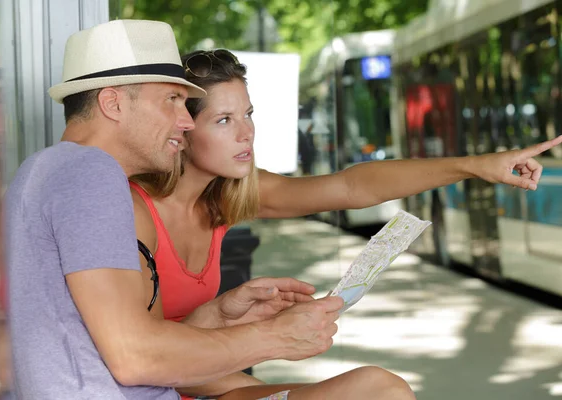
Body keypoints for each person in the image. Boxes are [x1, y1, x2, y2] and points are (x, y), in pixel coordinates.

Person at [5, 20, 414, 400]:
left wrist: (216, 315)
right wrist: (275, 337)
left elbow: (109, 345)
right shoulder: (91, 172)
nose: (185, 123)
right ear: (112, 103)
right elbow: (135, 358)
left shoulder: (42, 173)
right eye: (172, 100)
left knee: (376, 388)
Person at [129, 49, 562, 399]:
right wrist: (264, 347)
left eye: (248, 114)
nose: (247, 133)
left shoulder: (222, 198)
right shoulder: (134, 211)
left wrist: (477, 166)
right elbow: (147, 360)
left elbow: (352, 188)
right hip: (166, 388)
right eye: (224, 120)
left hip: (211, 384)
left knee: (382, 389)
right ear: (182, 130)